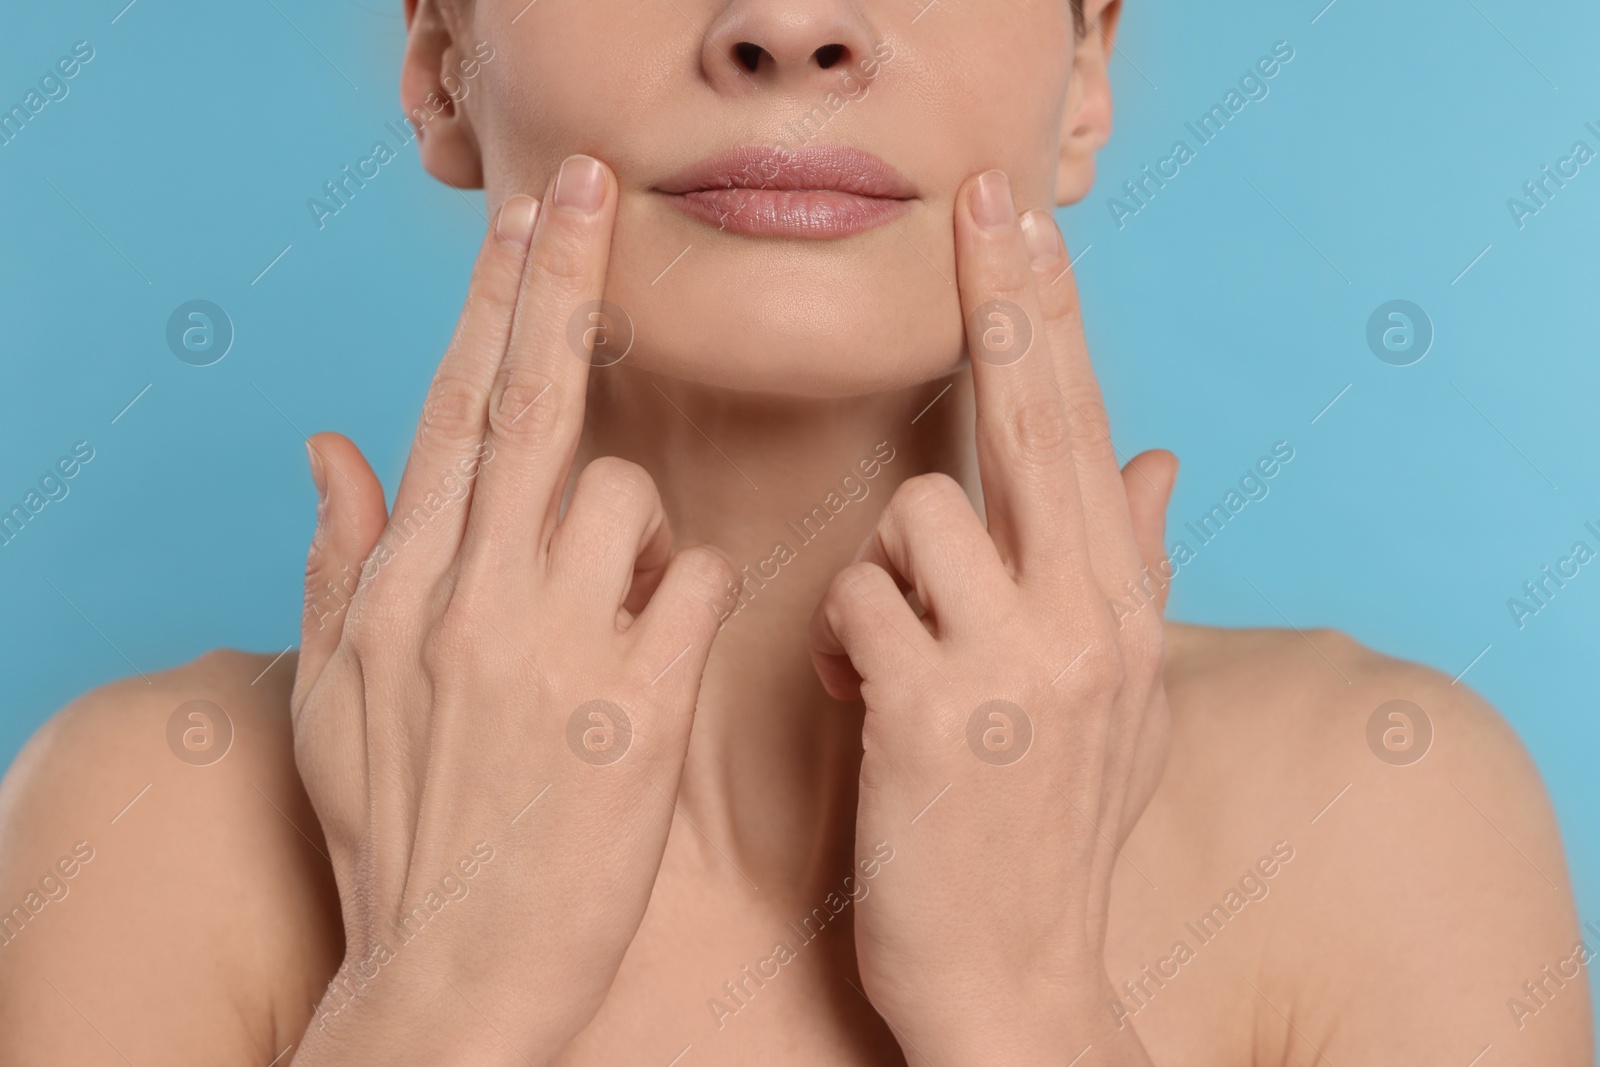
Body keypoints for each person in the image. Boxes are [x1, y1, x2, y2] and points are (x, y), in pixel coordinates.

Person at [0, 0, 1590, 1063]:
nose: (789, 23)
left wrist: (1028, 1012)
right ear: (440, 60)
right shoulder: (147, 820)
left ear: (1089, 64)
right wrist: (439, 1002)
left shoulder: (1386, 814)